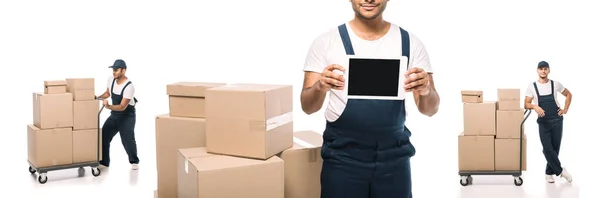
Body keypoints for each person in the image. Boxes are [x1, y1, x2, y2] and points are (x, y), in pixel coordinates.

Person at [300, 0, 440, 197]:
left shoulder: (409, 42)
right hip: (342, 160)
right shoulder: (326, 42)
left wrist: (426, 90)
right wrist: (320, 86)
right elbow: (307, 107)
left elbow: (431, 109)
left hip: (395, 161)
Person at [524, 61, 573, 183]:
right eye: (541, 69)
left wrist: (565, 109)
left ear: (549, 70)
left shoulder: (555, 84)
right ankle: (561, 171)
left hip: (557, 120)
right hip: (543, 122)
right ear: (537, 71)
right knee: (547, 148)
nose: (543, 71)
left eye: (545, 69)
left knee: (555, 148)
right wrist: (535, 107)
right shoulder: (532, 86)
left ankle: (549, 173)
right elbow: (526, 104)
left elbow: (568, 94)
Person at [96, 59, 140, 170]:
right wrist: (97, 97)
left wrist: (108, 106)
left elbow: (122, 106)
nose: (113, 72)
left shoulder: (129, 86)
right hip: (115, 115)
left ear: (123, 70)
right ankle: (104, 162)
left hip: (127, 116)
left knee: (127, 138)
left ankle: (134, 161)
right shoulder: (111, 79)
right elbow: (107, 93)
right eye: (113, 70)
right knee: (104, 134)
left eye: (116, 70)